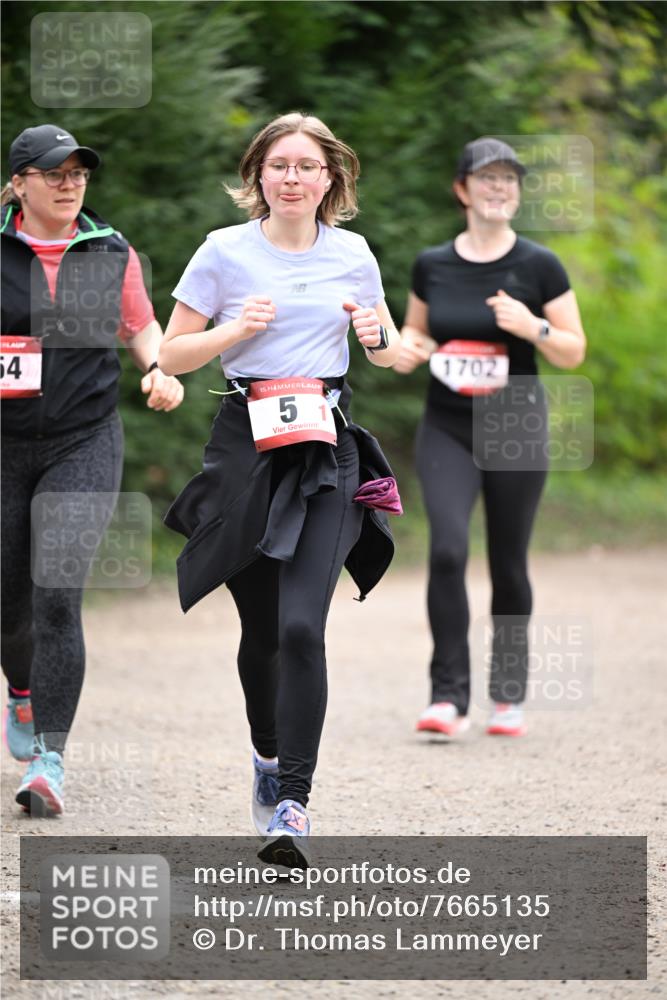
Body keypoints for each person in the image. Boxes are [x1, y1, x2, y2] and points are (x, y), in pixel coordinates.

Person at [159, 111, 401, 866]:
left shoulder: (354, 254)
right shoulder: (222, 253)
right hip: (245, 444)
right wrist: (233, 333)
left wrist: (377, 340)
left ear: (331, 178)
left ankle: (292, 802)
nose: (292, 177)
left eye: (306, 166)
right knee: (261, 633)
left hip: (325, 448)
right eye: (278, 165)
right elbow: (170, 352)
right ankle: (267, 758)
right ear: (256, 176)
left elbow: (390, 351)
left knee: (303, 627)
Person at [1, 124, 184, 815]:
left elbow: (139, 325)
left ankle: (49, 759)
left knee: (56, 592)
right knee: (7, 602)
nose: (70, 182)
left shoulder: (109, 250)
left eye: (79, 171)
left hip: (82, 439)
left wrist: (160, 369)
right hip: (2, 444)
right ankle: (21, 687)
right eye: (53, 173)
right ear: (20, 183)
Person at [395, 137, 586, 740]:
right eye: (487, 177)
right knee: (448, 549)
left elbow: (573, 349)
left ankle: (507, 696)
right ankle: (448, 696)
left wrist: (532, 326)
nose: (500, 187)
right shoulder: (432, 263)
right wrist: (405, 348)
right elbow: (415, 334)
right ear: (462, 189)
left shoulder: (539, 264)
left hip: (516, 421)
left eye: (510, 179)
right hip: (447, 424)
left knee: (508, 559)